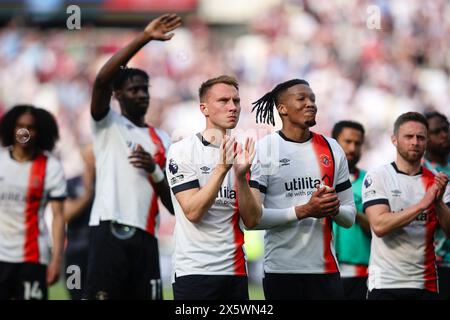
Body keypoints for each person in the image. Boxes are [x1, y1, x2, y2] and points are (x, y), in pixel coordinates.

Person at [84, 13, 180, 300]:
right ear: (117, 94)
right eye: (133, 89)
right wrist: (145, 37)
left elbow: (173, 205)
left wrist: (155, 170)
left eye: (144, 89)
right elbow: (101, 80)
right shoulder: (107, 123)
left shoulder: (162, 138)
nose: (141, 95)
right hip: (108, 229)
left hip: (147, 236)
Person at [249, 79, 356, 300]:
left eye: (313, 99)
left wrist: (333, 209)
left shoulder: (331, 148)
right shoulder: (265, 149)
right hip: (281, 270)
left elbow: (350, 217)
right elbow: (251, 220)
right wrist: (305, 210)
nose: (311, 104)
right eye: (302, 99)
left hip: (325, 270)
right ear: (282, 109)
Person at [166, 75, 262, 300]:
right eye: (223, 101)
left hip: (235, 272)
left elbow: (252, 220)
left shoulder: (247, 156)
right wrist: (221, 170)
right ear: (204, 108)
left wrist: (241, 177)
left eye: (236, 101)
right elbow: (193, 212)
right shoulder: (182, 150)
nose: (232, 107)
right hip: (194, 272)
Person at [362, 112, 450, 300]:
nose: (415, 142)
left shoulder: (436, 180)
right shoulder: (378, 176)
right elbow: (379, 225)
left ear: (426, 142)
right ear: (394, 140)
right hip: (385, 283)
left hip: (425, 283)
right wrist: (422, 204)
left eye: (420, 137)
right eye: (408, 136)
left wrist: (439, 203)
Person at [0, 105, 66, 300]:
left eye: (30, 127)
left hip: (33, 257)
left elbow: (59, 216)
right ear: (12, 129)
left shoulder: (51, 167)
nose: (24, 131)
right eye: (20, 126)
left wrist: (57, 259)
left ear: (39, 132)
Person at [331, 120, 371, 300]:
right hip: (321, 268)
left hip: (358, 272)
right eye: (347, 141)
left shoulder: (370, 181)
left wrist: (350, 210)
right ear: (334, 142)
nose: (352, 148)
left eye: (357, 143)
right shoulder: (318, 177)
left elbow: (378, 227)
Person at [423, 111, 450, 300]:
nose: (444, 134)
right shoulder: (422, 171)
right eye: (437, 131)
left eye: (446, 128)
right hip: (438, 263)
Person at [63, 144, 95, 300]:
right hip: (75, 252)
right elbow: (65, 215)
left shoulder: (108, 185)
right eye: (89, 156)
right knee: (76, 294)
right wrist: (86, 195)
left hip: (100, 251)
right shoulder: (72, 183)